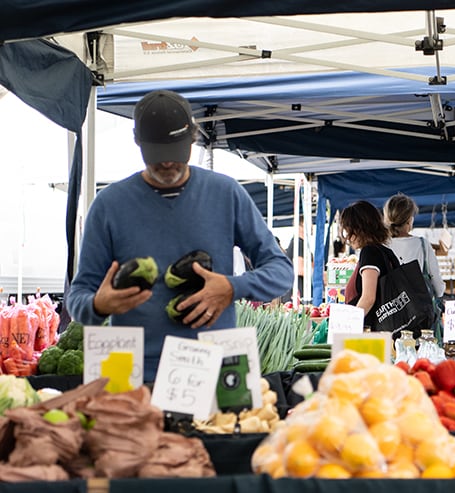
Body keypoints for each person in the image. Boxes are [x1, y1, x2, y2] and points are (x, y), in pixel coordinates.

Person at [67, 90, 293, 382]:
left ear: (193, 139)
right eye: (157, 154)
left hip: (214, 365)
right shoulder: (108, 206)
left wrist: (232, 287)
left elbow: (281, 272)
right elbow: (78, 297)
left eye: (176, 152)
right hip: (131, 370)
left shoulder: (227, 194)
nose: (167, 164)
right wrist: (98, 305)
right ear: (138, 143)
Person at [384, 193, 445, 339]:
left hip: (388, 323)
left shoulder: (380, 246)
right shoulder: (423, 245)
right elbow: (438, 287)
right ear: (410, 219)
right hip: (420, 324)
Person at [340, 200, 401, 331]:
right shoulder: (385, 252)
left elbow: (368, 298)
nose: (348, 238)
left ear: (358, 229)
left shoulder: (370, 253)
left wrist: (348, 326)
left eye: (348, 231)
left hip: (373, 332)